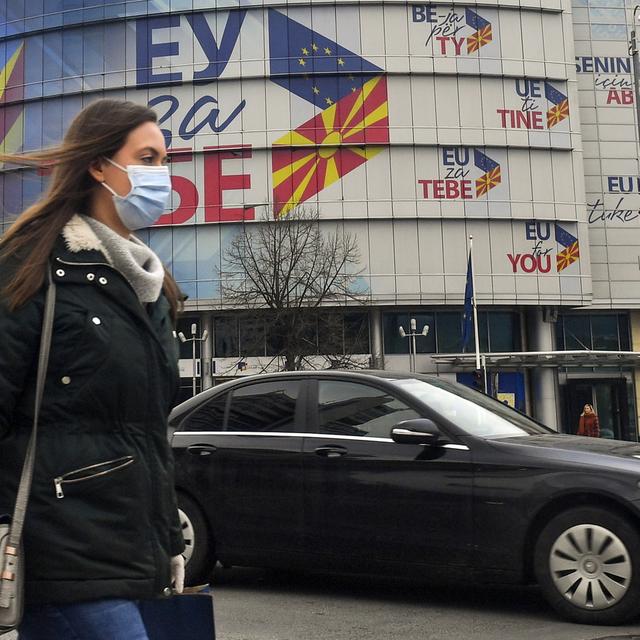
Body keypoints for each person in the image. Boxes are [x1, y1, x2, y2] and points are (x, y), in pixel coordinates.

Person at [0, 99, 186, 639]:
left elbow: (146, 433)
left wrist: (169, 543)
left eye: (164, 160)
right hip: (61, 556)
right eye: (147, 158)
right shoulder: (32, 268)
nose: (161, 174)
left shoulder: (150, 284)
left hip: (129, 555)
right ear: (99, 166)